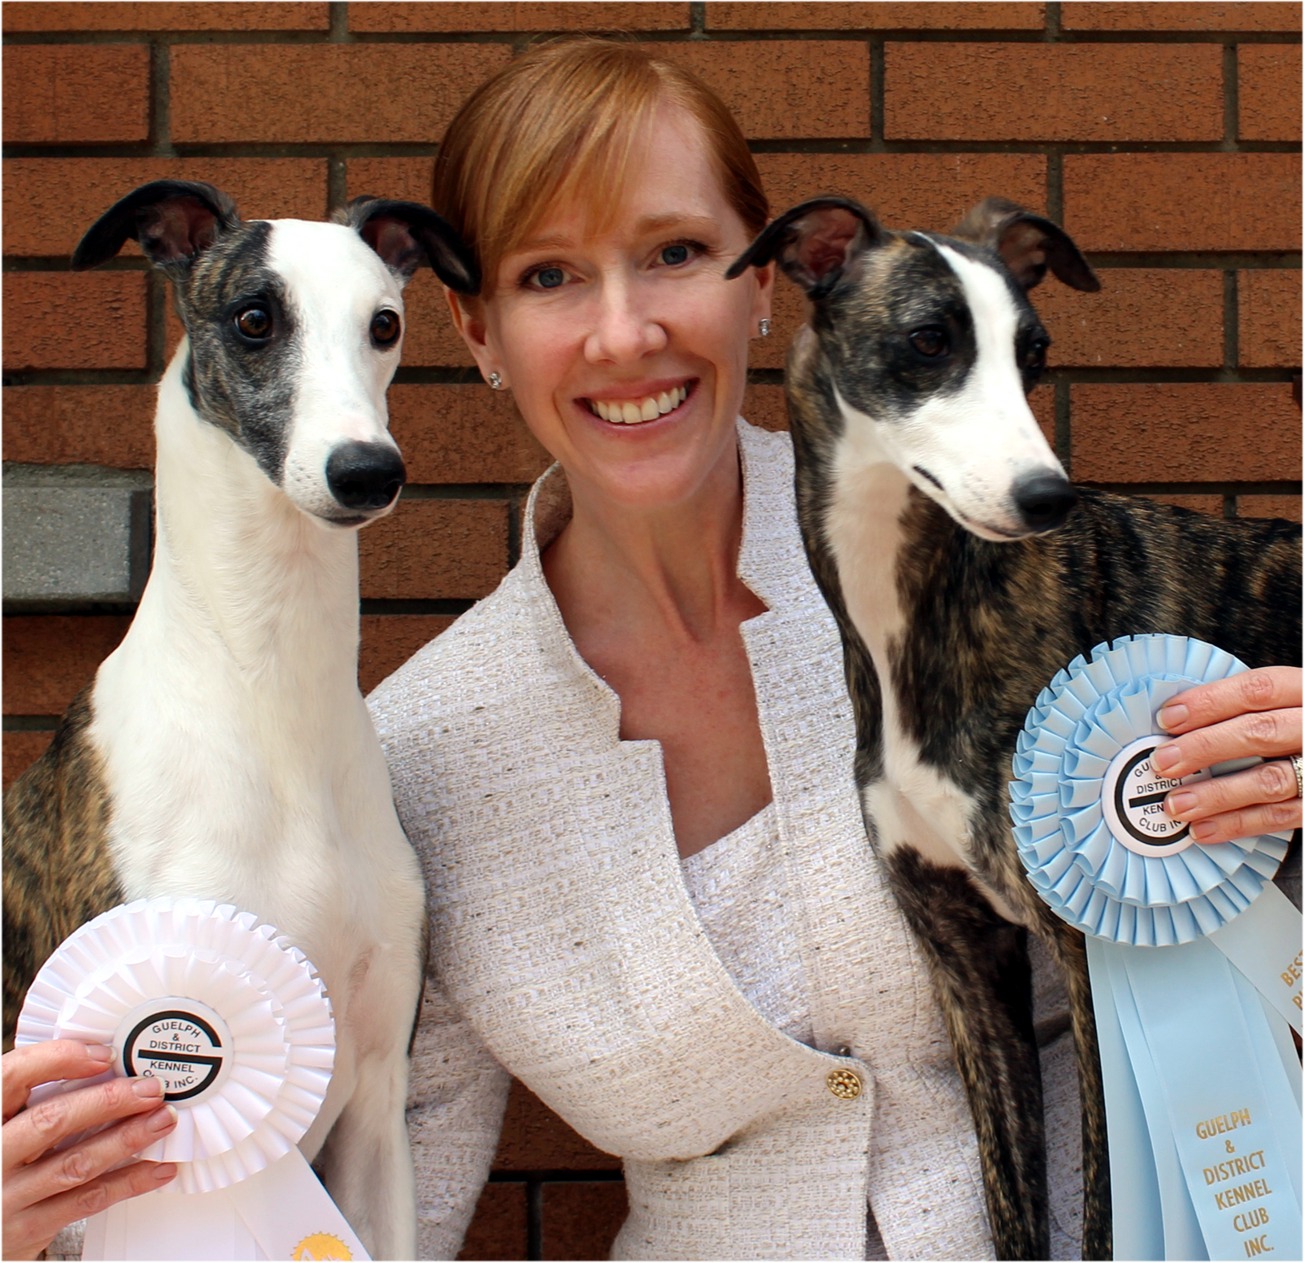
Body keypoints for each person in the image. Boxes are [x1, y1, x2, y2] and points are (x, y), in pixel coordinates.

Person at [5, 36, 1301, 1262]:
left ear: (762, 286)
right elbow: (374, 1202)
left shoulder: (1005, 554)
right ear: (475, 337)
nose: (624, 334)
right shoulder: (419, 759)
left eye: (675, 252)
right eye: (549, 277)